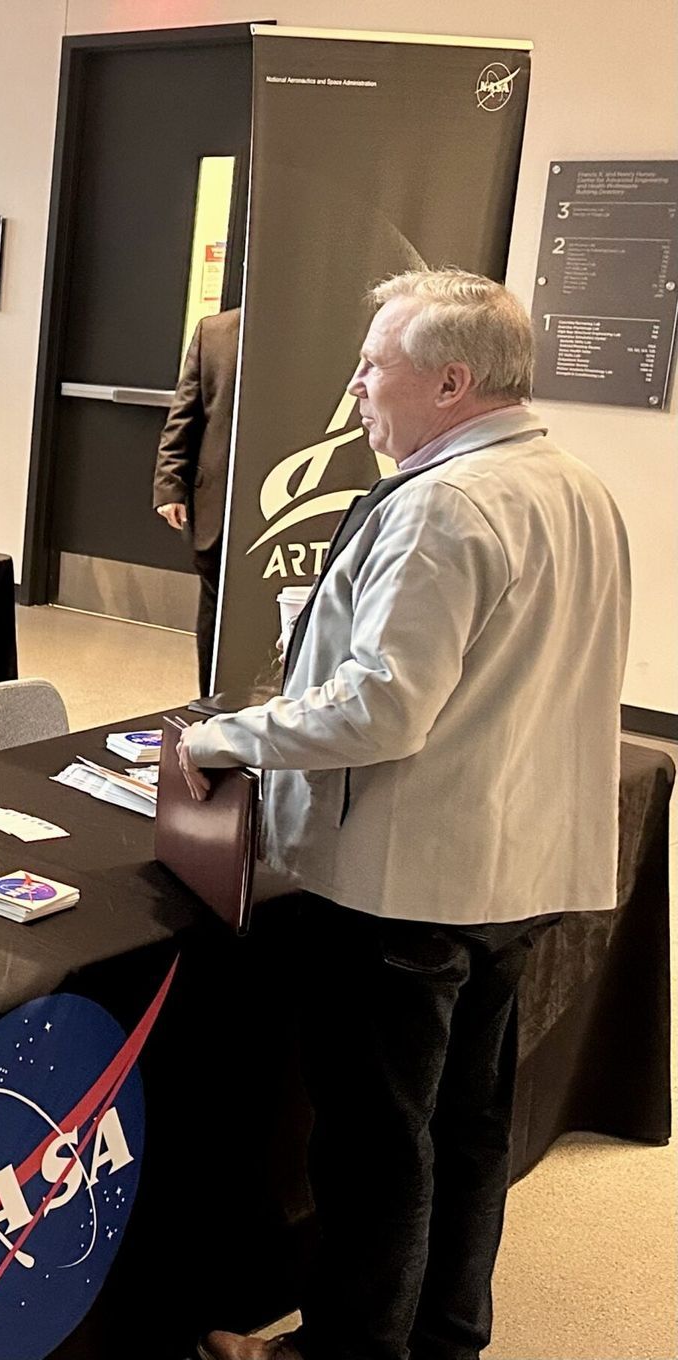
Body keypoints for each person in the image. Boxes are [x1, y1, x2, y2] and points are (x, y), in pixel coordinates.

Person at [180, 271, 630, 1360]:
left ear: (450, 379)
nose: (356, 385)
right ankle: (446, 1335)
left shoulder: (442, 503)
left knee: (378, 1144)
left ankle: (345, 1350)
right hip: (514, 872)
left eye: (374, 364)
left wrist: (227, 738)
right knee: (467, 1128)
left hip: (410, 888)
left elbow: (385, 706)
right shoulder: (575, 483)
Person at [154, 306, 240, 694]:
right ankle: (212, 699)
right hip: (218, 505)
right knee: (214, 611)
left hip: (289, 500)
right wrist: (170, 485)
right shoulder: (216, 332)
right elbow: (184, 416)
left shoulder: (308, 333)